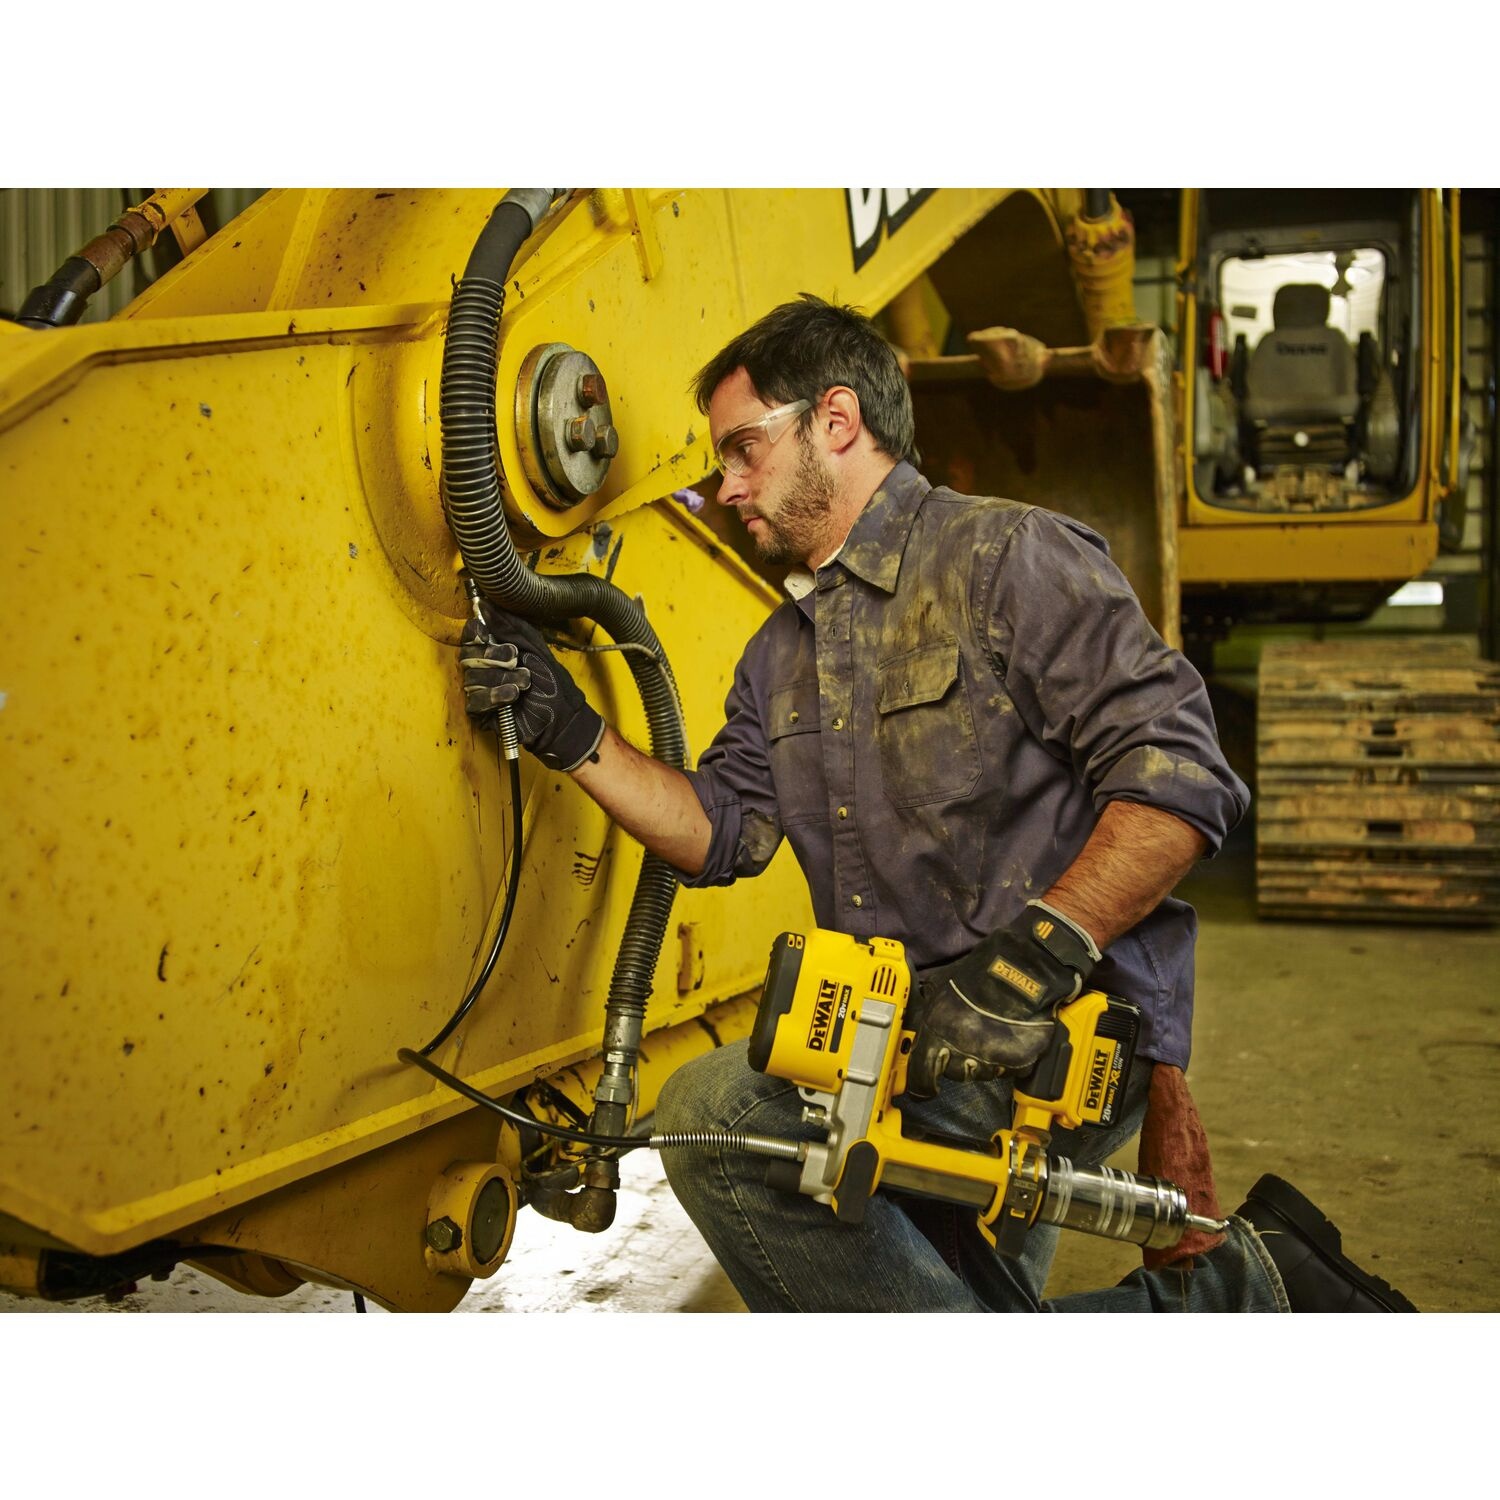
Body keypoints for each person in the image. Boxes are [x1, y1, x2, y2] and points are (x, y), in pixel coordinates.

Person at [460, 295, 1417, 1314]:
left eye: (743, 449)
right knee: (954, 1307)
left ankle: (1236, 1298)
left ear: (836, 421)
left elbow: (1180, 776)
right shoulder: (778, 656)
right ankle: (1250, 1293)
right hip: (909, 1042)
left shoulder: (1006, 560)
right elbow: (718, 833)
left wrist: (1030, 959)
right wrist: (575, 734)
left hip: (1048, 1036)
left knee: (719, 1114)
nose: (726, 485)